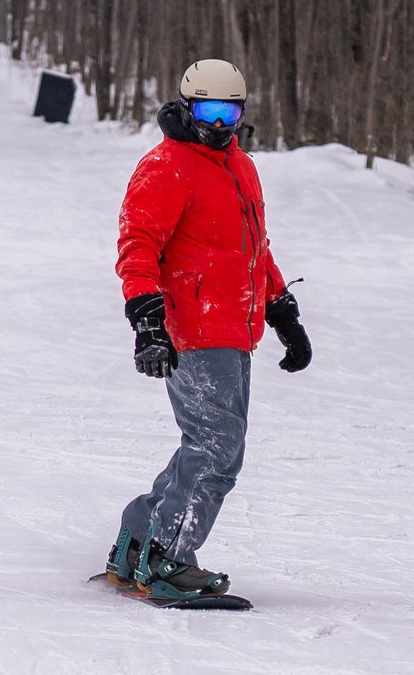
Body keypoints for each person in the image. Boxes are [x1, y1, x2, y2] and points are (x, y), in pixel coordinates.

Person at [104, 59, 311, 605]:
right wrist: (147, 323)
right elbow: (137, 248)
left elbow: (252, 250)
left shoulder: (240, 166)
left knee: (208, 444)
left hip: (234, 327)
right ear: (186, 106)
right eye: (208, 111)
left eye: (230, 112)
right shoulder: (165, 167)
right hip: (192, 327)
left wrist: (281, 310)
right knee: (217, 448)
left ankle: (139, 540)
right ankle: (167, 558)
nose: (219, 124)